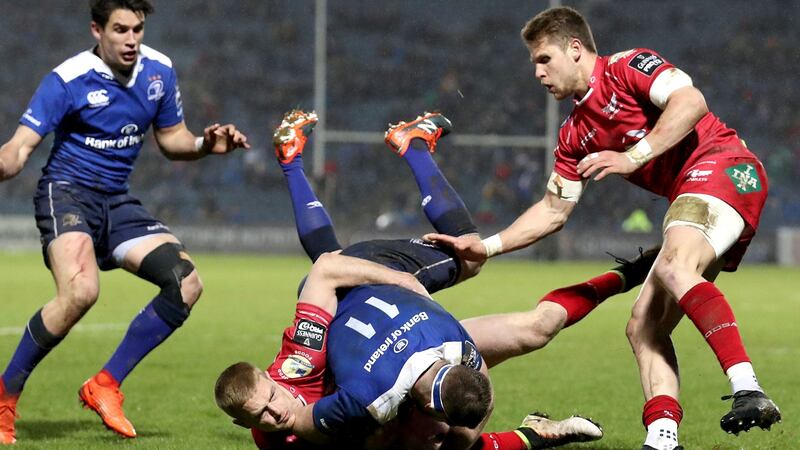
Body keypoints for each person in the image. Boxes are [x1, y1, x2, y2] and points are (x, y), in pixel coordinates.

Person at [424, 7, 780, 450]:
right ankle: (663, 439)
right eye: (534, 62)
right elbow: (554, 211)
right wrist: (488, 246)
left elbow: (691, 101)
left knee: (672, 265)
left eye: (544, 59)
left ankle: (748, 388)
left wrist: (634, 156)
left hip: (724, 165)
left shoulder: (628, 66)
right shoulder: (574, 133)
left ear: (575, 49)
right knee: (642, 327)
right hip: (697, 190)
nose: (537, 72)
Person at [216, 110, 659, 449]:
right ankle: (625, 280)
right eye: (267, 414)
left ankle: (411, 145)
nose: (280, 411)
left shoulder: (309, 368)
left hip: (390, 294)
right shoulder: (443, 355)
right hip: (412, 336)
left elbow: (327, 269)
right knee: (535, 327)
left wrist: (402, 281)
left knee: (468, 251)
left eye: (272, 400)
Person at [0, 0, 249, 444]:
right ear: (97, 30)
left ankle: (105, 384)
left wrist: (205, 145)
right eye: (120, 30)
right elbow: (18, 150)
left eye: (138, 29)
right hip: (67, 193)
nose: (132, 39)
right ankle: (4, 396)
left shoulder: (159, 71)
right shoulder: (67, 79)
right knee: (81, 291)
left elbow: (173, 140)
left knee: (187, 283)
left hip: (116, 201)